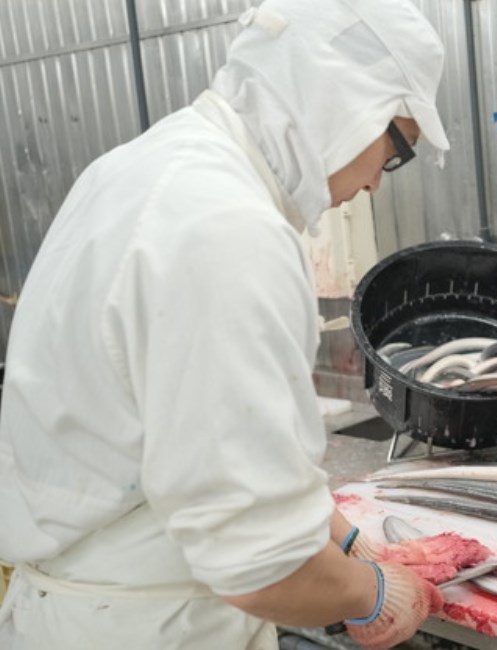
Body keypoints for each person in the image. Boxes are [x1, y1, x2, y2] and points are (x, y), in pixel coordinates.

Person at [0, 0, 451, 648]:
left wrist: (346, 538)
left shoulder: (149, 170)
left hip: (91, 607)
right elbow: (261, 566)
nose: (380, 181)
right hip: (148, 629)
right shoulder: (225, 231)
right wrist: (375, 594)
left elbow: (200, 452)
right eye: (397, 144)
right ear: (345, 102)